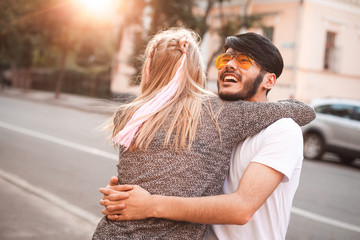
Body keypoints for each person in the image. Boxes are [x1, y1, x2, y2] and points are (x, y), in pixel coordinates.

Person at [93, 28, 315, 239]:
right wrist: (127, 193)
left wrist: (148, 202)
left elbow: (240, 209)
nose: (229, 65)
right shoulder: (217, 116)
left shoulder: (280, 129)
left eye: (244, 60)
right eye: (224, 59)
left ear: (269, 80)